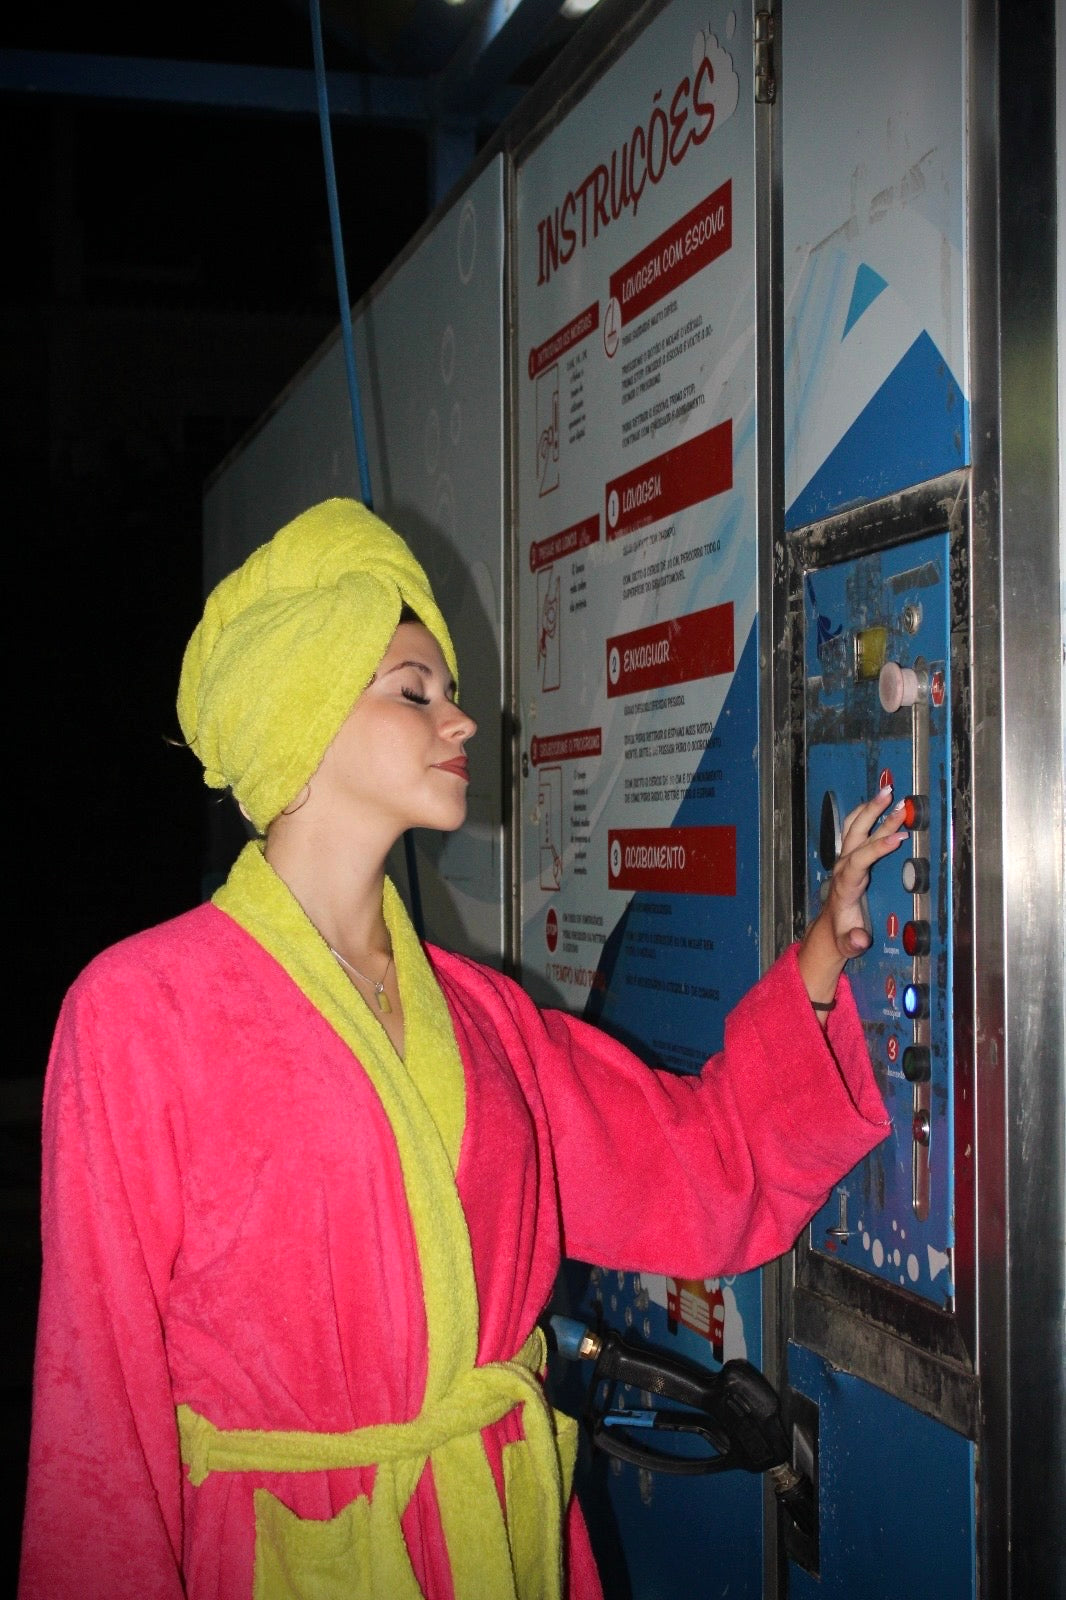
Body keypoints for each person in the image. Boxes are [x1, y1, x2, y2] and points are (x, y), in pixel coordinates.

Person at [19, 497, 906, 1600]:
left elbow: (694, 1163)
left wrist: (821, 954)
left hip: (500, 1546)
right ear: (301, 707)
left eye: (447, 692)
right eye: (415, 691)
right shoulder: (139, 1012)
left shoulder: (483, 1017)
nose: (462, 722)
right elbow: (95, 1427)